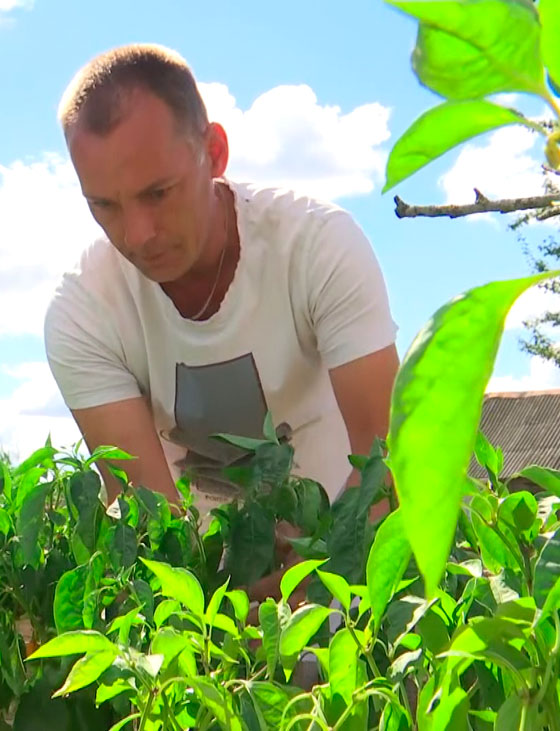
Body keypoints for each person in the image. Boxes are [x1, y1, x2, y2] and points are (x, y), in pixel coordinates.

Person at [43, 42, 399, 601]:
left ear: (214, 151)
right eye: (105, 206)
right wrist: (227, 623)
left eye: (157, 194)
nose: (138, 234)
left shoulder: (316, 247)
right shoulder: (85, 314)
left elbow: (386, 464)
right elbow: (156, 529)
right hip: (204, 616)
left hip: (353, 583)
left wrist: (305, 595)